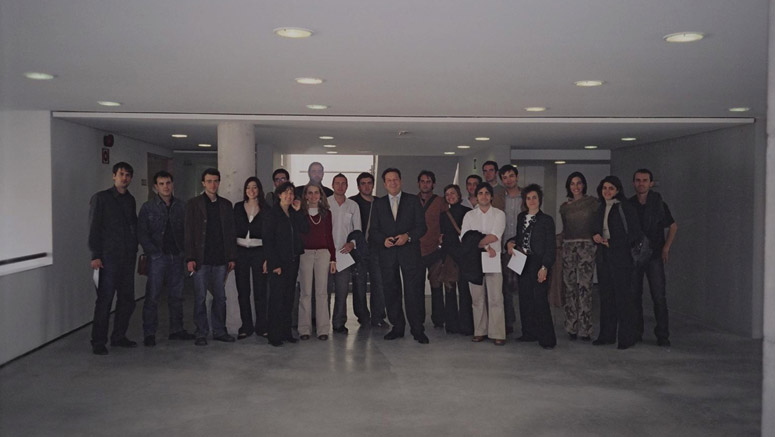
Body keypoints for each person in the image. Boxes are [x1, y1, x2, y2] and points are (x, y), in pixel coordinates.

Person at [369, 168, 429, 344]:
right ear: (384, 184)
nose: (393, 183)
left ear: (400, 181)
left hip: (409, 252)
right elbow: (373, 231)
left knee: (413, 292)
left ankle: (417, 329)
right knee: (391, 291)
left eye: (395, 179)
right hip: (387, 254)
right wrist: (383, 240)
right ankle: (397, 327)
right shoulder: (378, 204)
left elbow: (422, 227)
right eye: (389, 180)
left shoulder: (413, 201)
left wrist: (408, 237)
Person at [137, 170, 194, 347]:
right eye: (161, 184)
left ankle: (176, 330)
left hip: (177, 256)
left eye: (168, 183)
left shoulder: (181, 206)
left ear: (172, 184)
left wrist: (186, 253)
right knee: (152, 296)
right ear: (155, 187)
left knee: (176, 296)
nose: (166, 187)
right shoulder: (148, 207)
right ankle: (149, 333)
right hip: (157, 257)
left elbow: (187, 231)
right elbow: (142, 233)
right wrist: (153, 252)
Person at [88, 162, 139, 355]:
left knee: (127, 300)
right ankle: (98, 341)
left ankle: (118, 336)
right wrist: (95, 255)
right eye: (121, 174)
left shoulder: (130, 200)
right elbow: (94, 227)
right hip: (107, 259)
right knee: (105, 301)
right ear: (114, 176)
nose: (124, 178)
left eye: (128, 175)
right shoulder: (101, 198)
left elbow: (132, 226)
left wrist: (135, 247)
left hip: (127, 258)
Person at [184, 168, 237, 346]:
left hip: (220, 259)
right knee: (200, 297)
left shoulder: (226, 205)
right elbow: (189, 233)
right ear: (203, 183)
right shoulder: (193, 204)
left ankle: (219, 331)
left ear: (219, 182)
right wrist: (190, 258)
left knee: (220, 298)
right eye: (209, 181)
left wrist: (231, 257)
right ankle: (201, 332)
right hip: (201, 259)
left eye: (215, 181)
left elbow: (230, 233)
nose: (213, 184)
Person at [592, 175, 642, 350]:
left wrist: (612, 243)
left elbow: (634, 233)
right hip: (604, 257)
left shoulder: (625, 207)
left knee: (623, 298)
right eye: (604, 188)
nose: (607, 191)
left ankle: (627, 338)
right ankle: (607, 335)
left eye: (611, 188)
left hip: (621, 258)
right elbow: (596, 228)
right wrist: (595, 236)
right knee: (606, 297)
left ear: (618, 190)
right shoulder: (600, 207)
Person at [629, 169, 677, 347]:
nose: (641, 183)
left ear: (651, 183)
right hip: (635, 256)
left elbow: (673, 226)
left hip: (655, 256)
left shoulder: (658, 204)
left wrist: (666, 247)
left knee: (658, 296)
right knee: (634, 296)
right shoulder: (629, 204)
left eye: (644, 180)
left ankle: (662, 335)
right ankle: (636, 332)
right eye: (638, 180)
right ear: (633, 183)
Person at [507, 184, 557, 349]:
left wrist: (545, 266)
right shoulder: (521, 217)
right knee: (525, 298)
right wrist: (510, 243)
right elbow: (519, 238)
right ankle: (529, 333)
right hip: (523, 261)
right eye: (528, 198)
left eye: (534, 197)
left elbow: (550, 246)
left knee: (540, 299)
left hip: (539, 262)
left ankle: (547, 338)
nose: (531, 201)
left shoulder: (547, 220)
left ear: (539, 199)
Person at [460, 182, 506, 345]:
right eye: (480, 193)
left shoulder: (499, 214)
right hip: (473, 260)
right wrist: (484, 245)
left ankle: (498, 333)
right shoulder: (469, 216)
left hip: (493, 259)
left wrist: (477, 241)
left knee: (495, 297)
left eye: (487, 193)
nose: (484, 196)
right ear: (476, 196)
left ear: (491, 196)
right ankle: (480, 331)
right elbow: (465, 238)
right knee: (477, 298)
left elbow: (495, 236)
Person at [264, 182, 308, 346]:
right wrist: (274, 263)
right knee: (277, 299)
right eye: (286, 193)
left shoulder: (292, 213)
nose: (289, 196)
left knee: (289, 298)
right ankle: (274, 335)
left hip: (292, 261)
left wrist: (299, 211)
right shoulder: (272, 214)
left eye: (291, 193)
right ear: (279, 195)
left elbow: (305, 229)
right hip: (278, 263)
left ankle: (286, 332)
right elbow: (268, 241)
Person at [559, 171, 598, 342]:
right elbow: (565, 229)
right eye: (572, 183)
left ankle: (585, 328)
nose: (576, 186)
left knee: (585, 287)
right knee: (569, 288)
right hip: (568, 247)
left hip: (586, 247)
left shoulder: (592, 203)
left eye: (579, 183)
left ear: (584, 185)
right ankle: (571, 326)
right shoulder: (564, 207)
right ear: (568, 186)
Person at [349, 172, 388, 327]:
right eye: (363, 183)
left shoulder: (380, 202)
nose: (366, 186)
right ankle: (363, 317)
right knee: (359, 285)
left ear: (373, 185)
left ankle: (378, 316)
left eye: (369, 183)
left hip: (377, 250)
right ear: (358, 186)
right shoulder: (352, 202)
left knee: (379, 283)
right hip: (358, 251)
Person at [298, 184, 336, 340]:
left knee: (322, 293)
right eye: (310, 193)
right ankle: (304, 329)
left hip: (323, 254)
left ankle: (323, 330)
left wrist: (333, 258)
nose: (313, 196)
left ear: (320, 195)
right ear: (305, 195)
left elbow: (329, 236)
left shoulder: (327, 214)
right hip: (305, 254)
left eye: (316, 193)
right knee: (305, 292)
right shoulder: (300, 213)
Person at [233, 177, 269, 340]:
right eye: (248, 187)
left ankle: (261, 326)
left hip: (259, 252)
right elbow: (232, 230)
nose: (251, 190)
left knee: (260, 290)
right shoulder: (238, 207)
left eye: (254, 187)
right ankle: (246, 326)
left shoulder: (266, 209)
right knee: (243, 291)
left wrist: (267, 258)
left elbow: (269, 235)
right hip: (240, 252)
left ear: (259, 189)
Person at [328, 174, 363, 332]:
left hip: (344, 253)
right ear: (332, 185)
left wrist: (352, 244)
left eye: (343, 183)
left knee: (342, 291)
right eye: (337, 183)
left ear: (347, 186)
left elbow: (358, 230)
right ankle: (321, 323)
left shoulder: (353, 206)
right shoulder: (325, 203)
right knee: (324, 291)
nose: (340, 186)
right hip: (326, 252)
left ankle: (339, 323)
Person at [438, 184, 474, 335]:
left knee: (465, 292)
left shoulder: (468, 213)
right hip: (451, 256)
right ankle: (453, 325)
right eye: (447, 194)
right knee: (450, 291)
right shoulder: (443, 215)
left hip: (463, 256)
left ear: (459, 195)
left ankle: (465, 326)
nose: (450, 196)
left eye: (452, 193)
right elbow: (442, 236)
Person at [493, 164, 523, 335]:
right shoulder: (497, 197)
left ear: (516, 177)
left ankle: (528, 322)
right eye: (504, 177)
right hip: (503, 249)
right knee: (505, 288)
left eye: (511, 176)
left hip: (522, 249)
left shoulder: (526, 196)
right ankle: (509, 322)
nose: (508, 180)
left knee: (523, 285)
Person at [417, 170, 447, 329]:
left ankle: (439, 318)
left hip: (435, 250)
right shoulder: (411, 201)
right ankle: (418, 319)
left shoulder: (440, 201)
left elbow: (446, 222)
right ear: (418, 183)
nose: (425, 184)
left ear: (433, 184)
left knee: (436, 285)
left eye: (428, 181)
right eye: (422, 181)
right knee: (417, 287)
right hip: (416, 250)